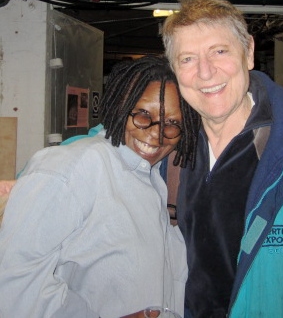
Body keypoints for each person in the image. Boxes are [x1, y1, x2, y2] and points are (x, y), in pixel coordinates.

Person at [162, 0, 283, 318]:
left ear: (249, 51)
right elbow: (110, 139)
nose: (206, 72)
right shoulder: (166, 137)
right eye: (187, 58)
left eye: (219, 51)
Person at [0, 55, 200, 318]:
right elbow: (13, 280)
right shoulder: (73, 165)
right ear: (120, 107)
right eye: (143, 115)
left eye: (172, 123)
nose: (156, 134)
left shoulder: (149, 179)